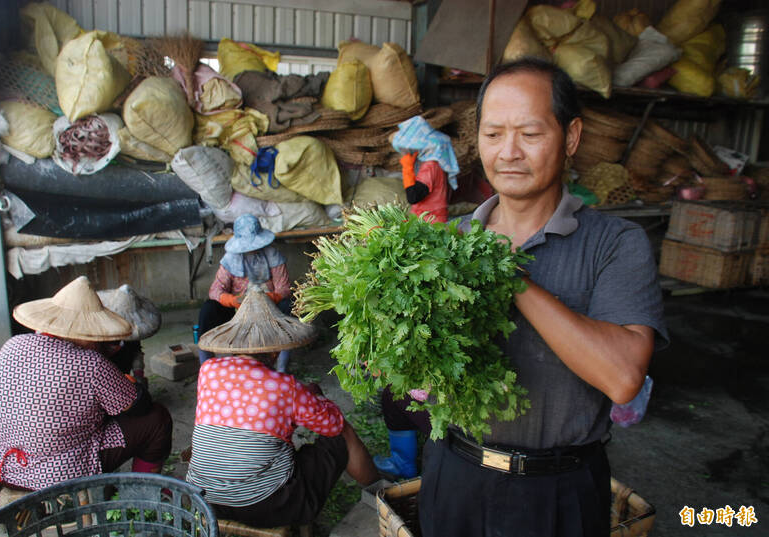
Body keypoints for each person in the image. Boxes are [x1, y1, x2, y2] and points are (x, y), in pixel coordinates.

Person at [417, 58, 668, 537]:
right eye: (493, 135)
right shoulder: (444, 243)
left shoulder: (616, 243)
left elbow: (622, 379)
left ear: (571, 137)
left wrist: (510, 274)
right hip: (453, 476)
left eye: (529, 134)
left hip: (558, 492)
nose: (508, 152)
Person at [186, 285, 380, 528]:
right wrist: (316, 397)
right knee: (342, 434)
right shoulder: (284, 387)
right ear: (276, 351)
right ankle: (380, 493)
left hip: (204, 498)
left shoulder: (208, 371)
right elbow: (332, 424)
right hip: (265, 506)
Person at [0, 276, 173, 494]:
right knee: (157, 419)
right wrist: (133, 385)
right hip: (58, 476)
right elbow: (139, 405)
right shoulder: (90, 364)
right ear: (84, 331)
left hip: (1, 466)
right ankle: (144, 494)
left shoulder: (12, 345)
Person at [197, 214, 292, 368]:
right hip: (238, 310)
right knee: (208, 309)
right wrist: (232, 300)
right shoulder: (230, 259)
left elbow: (284, 287)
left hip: (269, 309)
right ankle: (206, 365)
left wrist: (269, 298)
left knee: (288, 305)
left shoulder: (272, 255)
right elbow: (215, 290)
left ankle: (282, 367)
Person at [392, 115, 460, 224]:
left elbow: (413, 197)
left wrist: (407, 166)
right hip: (431, 218)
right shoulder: (435, 161)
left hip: (430, 222)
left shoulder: (430, 166)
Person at [98, 283, 162, 384]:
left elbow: (136, 352)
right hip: (104, 377)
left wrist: (138, 375)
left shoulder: (132, 332)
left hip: (125, 374)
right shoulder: (101, 334)